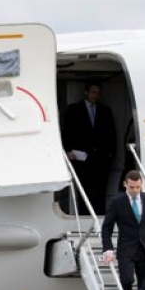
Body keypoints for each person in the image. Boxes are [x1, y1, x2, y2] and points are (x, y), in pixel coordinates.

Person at [61, 79, 116, 215]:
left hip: (101, 160)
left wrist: (110, 156)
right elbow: (66, 132)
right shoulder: (73, 109)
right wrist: (68, 151)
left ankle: (100, 220)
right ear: (86, 92)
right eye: (93, 92)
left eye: (98, 93)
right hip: (81, 160)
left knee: (100, 192)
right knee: (84, 192)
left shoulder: (105, 110)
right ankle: (85, 220)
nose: (95, 95)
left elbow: (112, 135)